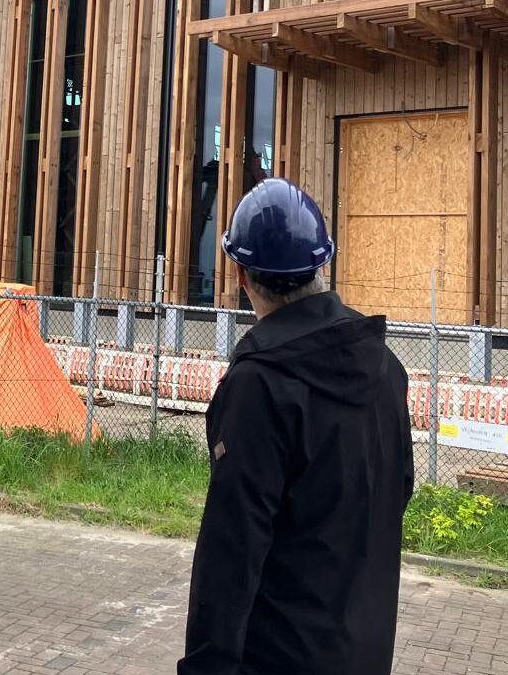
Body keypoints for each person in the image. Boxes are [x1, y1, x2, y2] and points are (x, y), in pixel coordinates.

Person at [179, 178, 414, 675]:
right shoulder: (386, 370)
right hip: (364, 650)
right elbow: (398, 492)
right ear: (321, 265)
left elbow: (231, 552)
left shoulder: (258, 387)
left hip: (277, 656)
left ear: (241, 276)